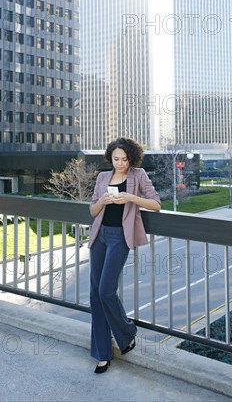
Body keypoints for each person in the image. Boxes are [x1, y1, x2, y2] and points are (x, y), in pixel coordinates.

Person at [88, 137, 161, 373]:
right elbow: (92, 210)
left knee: (105, 290)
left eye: (124, 159)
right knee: (95, 295)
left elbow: (156, 204)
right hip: (100, 236)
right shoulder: (102, 177)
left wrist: (130, 198)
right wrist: (103, 200)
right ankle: (102, 353)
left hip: (120, 237)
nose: (120, 163)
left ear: (132, 158)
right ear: (110, 157)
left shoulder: (138, 175)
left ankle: (127, 332)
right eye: (116, 159)